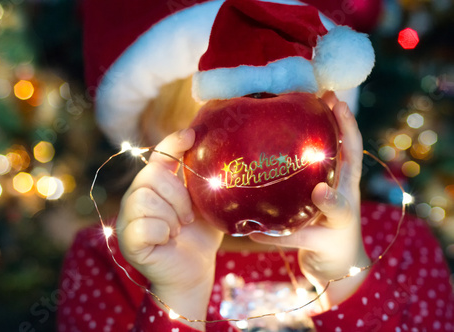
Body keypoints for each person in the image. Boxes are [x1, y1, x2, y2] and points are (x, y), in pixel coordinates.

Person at [57, 0, 454, 331]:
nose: (253, 159)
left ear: (328, 122)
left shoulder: (400, 246)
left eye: (275, 106)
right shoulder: (109, 261)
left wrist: (347, 282)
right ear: (146, 138)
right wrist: (177, 296)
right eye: (207, 126)